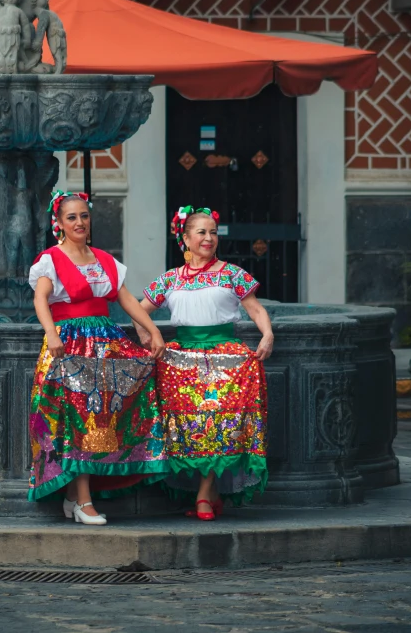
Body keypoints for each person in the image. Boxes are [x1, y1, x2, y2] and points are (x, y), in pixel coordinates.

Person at [28, 190, 168, 525]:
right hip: (71, 347)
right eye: (71, 217)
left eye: (84, 216)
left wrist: (152, 329)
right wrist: (51, 333)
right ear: (59, 223)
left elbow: (126, 300)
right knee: (79, 418)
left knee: (104, 416)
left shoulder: (105, 260)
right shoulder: (52, 259)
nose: (79, 222)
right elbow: (41, 299)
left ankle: (74, 496)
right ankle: (83, 502)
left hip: (105, 345)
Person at [134, 205, 273, 520]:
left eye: (213, 232)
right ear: (185, 238)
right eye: (201, 232)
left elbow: (255, 309)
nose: (209, 238)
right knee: (185, 427)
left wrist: (267, 335)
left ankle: (203, 496)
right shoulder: (170, 278)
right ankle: (208, 494)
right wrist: (147, 335)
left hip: (226, 360)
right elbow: (138, 310)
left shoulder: (231, 273)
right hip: (180, 361)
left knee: (221, 425)